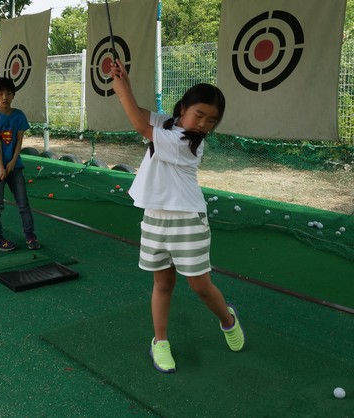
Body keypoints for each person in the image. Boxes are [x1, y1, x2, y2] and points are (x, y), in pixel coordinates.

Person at [111, 60, 245, 373]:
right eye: (199, 114)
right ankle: (160, 341)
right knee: (163, 283)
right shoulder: (168, 125)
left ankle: (227, 319)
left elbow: (141, 127)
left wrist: (120, 92)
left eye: (212, 120)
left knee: (200, 286)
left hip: (188, 220)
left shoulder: (189, 143)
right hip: (155, 218)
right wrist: (125, 86)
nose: (203, 124)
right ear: (183, 108)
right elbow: (144, 114)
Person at [0, 77, 40, 251]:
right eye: (0, 93)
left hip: (15, 166)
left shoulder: (19, 115)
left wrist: (13, 161)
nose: (4, 96)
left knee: (23, 203)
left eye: (8, 93)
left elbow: (19, 141)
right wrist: (1, 166)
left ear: (13, 95)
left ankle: (30, 236)